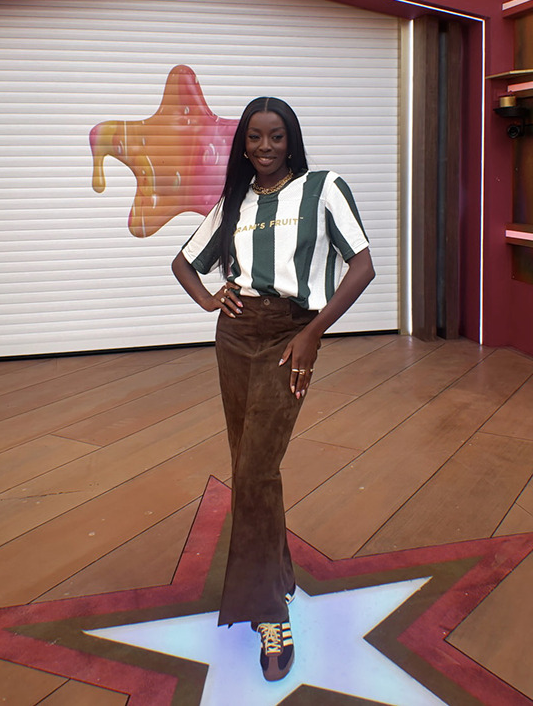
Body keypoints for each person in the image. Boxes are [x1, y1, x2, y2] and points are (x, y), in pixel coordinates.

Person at [171, 96, 375, 681]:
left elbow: (361, 265)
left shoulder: (324, 187)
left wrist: (313, 332)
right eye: (255, 137)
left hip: (291, 335)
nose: (264, 147)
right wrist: (211, 297)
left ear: (292, 140)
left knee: (256, 468)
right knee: (252, 466)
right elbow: (186, 263)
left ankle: (267, 613)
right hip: (235, 338)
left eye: (276, 136)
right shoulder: (233, 202)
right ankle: (276, 582)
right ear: (243, 144)